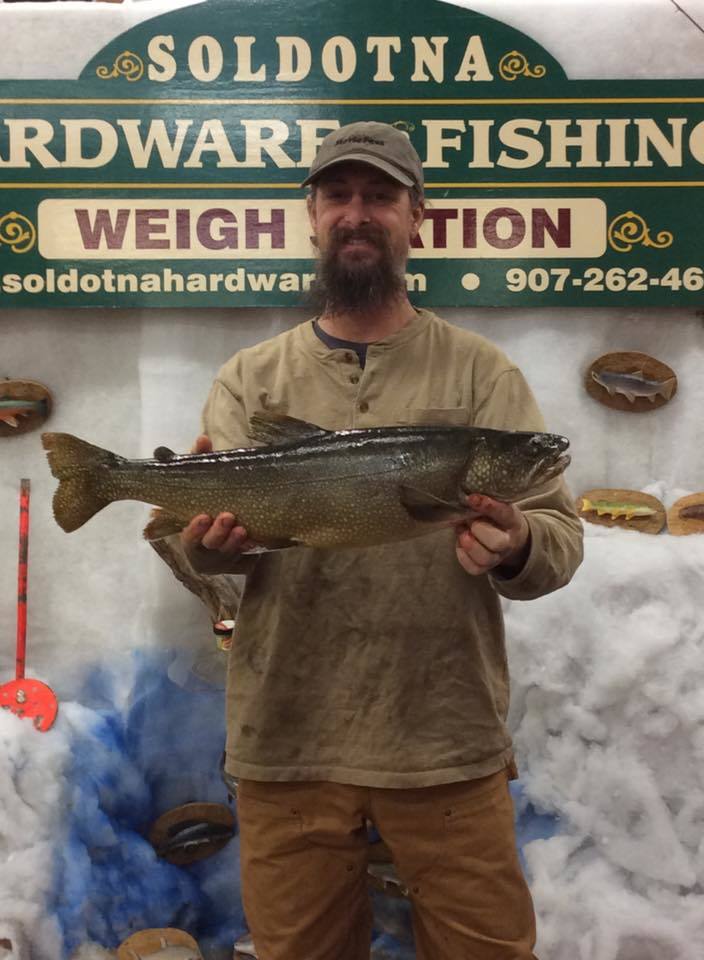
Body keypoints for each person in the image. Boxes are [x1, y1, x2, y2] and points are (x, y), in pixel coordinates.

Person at [181, 121, 583, 960]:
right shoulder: (250, 378)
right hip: (286, 737)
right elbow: (207, 557)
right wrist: (210, 545)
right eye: (338, 195)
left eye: (380, 196)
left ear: (417, 217)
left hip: (445, 739)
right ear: (314, 216)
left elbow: (558, 533)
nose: (356, 214)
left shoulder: (482, 373)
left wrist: (515, 546)